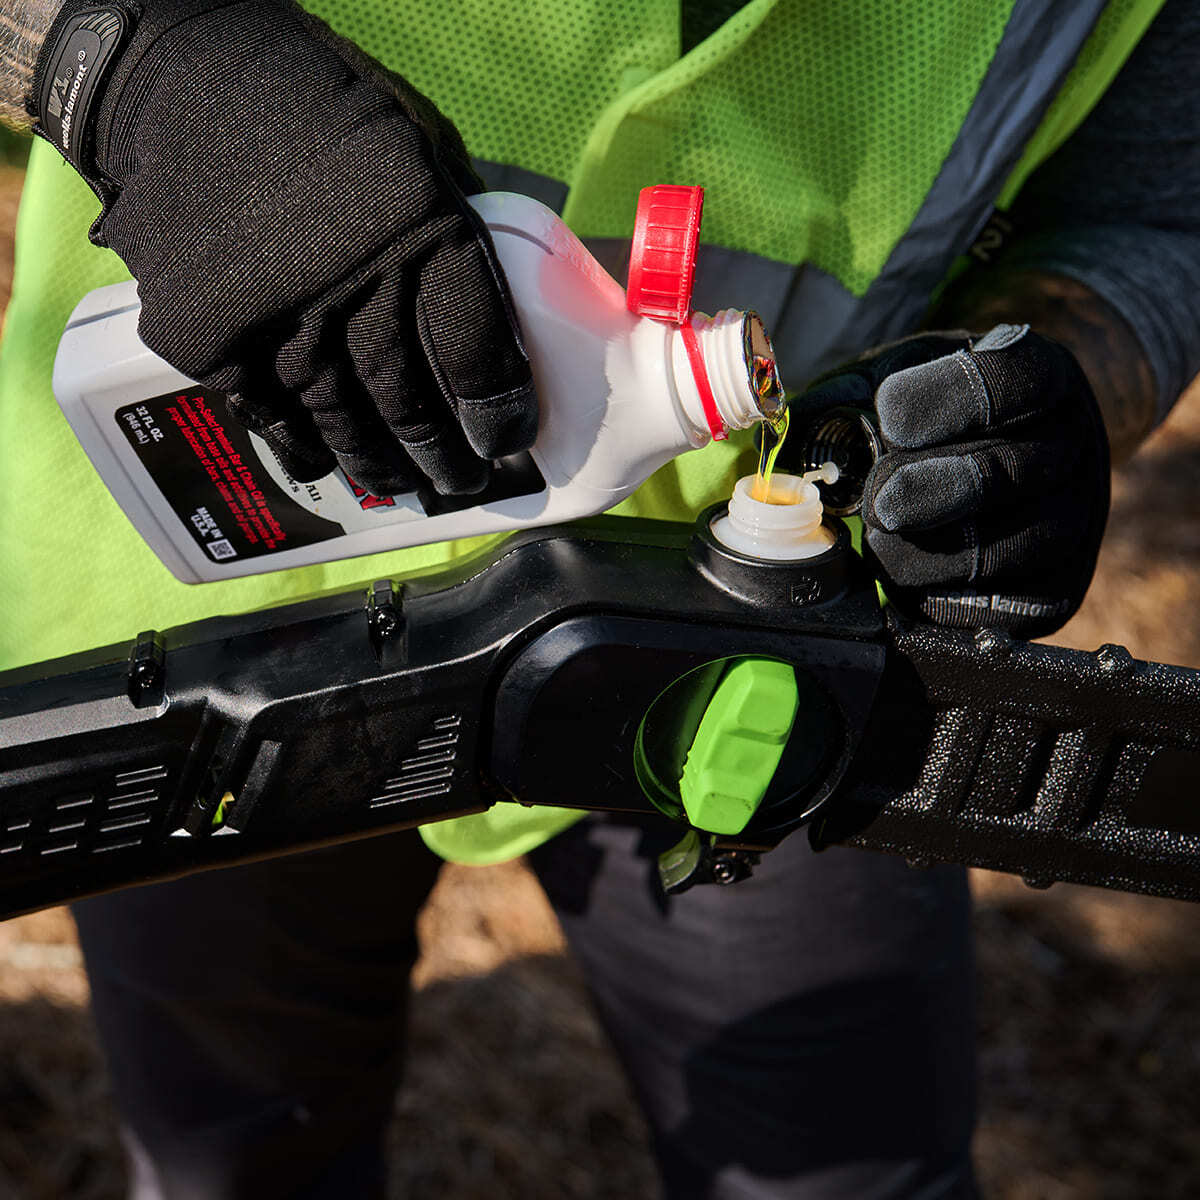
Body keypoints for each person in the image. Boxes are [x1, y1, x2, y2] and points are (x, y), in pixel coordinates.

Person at [0, 0, 1198, 1196]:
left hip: (781, 640)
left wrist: (1038, 395)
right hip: (201, 600)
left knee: (850, 1170)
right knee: (236, 1159)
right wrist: (137, 69)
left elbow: (1153, 215)